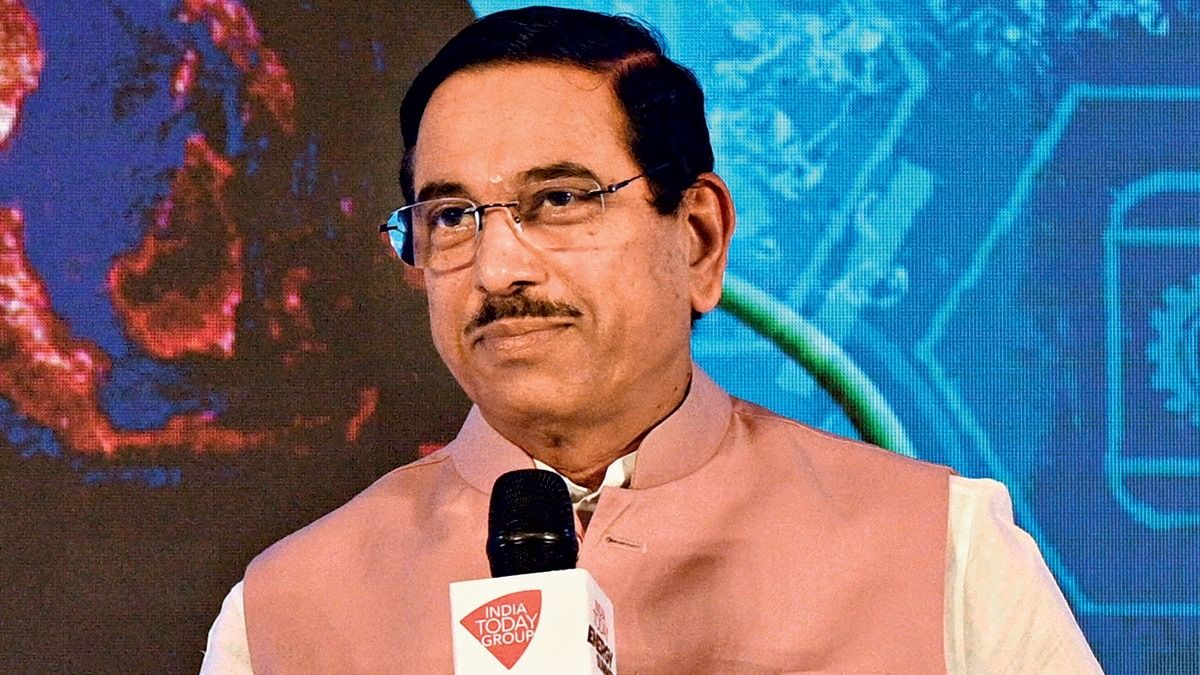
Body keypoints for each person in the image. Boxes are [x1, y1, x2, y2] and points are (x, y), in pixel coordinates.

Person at [201, 6, 1102, 673]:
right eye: (451, 216)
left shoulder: (943, 550)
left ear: (698, 237)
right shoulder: (286, 611)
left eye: (559, 199)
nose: (498, 268)